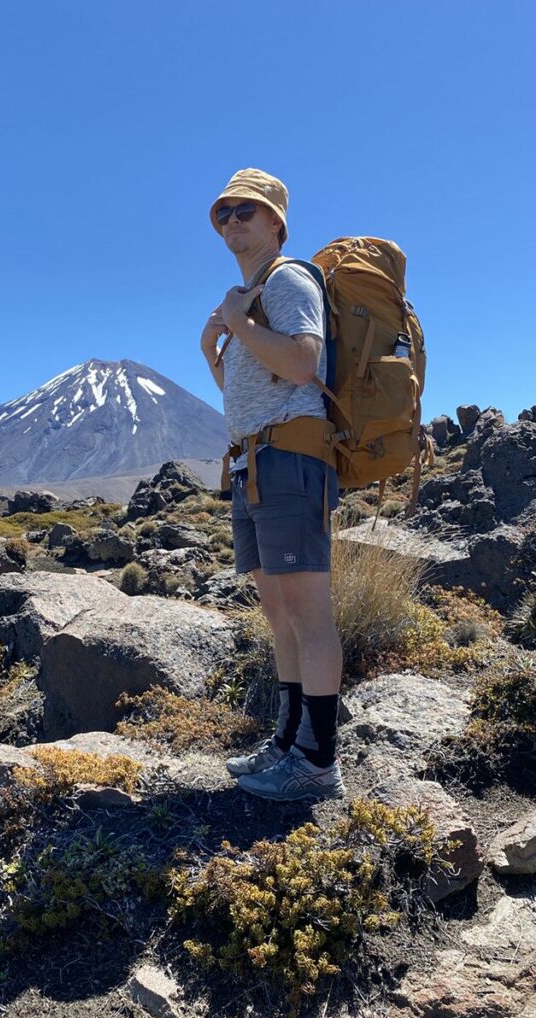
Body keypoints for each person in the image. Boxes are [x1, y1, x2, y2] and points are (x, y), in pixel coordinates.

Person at [200, 167, 345, 802]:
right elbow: (246, 393)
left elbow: (300, 364)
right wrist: (217, 342)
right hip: (254, 464)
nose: (233, 221)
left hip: (289, 461)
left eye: (246, 212)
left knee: (308, 614)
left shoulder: (288, 279)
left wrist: (237, 321)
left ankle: (317, 763)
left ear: (275, 224)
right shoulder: (248, 294)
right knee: (279, 612)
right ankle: (287, 740)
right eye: (224, 213)